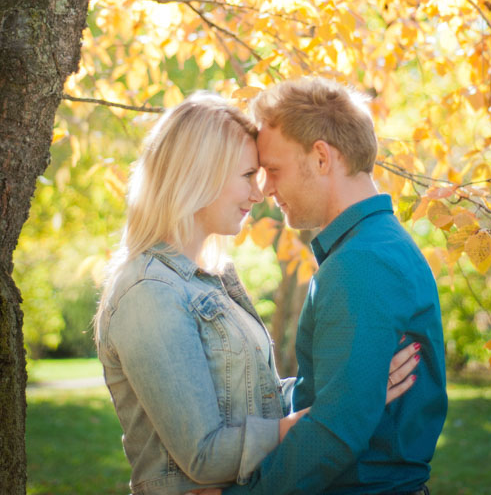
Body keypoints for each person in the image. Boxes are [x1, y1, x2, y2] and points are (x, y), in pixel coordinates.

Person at [94, 91, 420, 495]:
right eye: (249, 175)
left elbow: (252, 397)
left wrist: (352, 385)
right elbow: (204, 455)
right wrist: (337, 413)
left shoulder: (208, 279)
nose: (259, 192)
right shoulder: (150, 292)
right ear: (199, 174)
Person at [215, 77, 448, 495]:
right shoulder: (374, 245)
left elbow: (334, 433)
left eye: (273, 169)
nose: (264, 188)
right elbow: (335, 405)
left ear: (321, 157)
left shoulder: (361, 263)